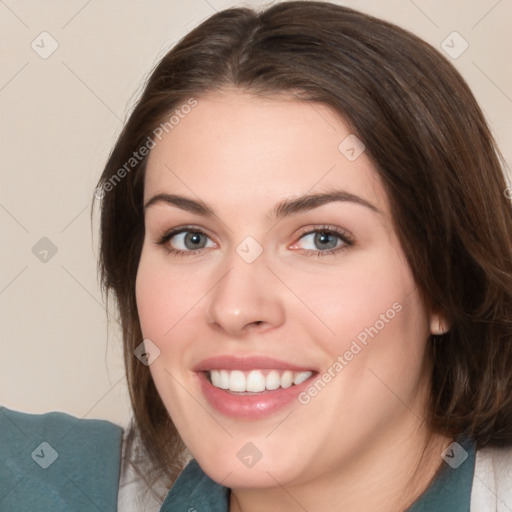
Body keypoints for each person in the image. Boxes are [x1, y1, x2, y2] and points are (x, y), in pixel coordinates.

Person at [1, 2, 511, 511]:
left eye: (321, 239)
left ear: (447, 282)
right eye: (191, 238)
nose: (236, 307)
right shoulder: (47, 485)